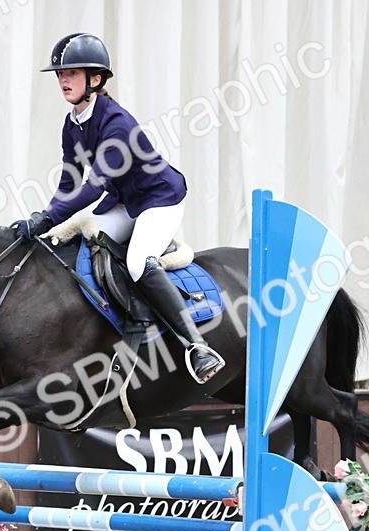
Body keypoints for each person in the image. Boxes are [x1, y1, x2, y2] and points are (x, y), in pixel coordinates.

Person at [12, 33, 225, 385]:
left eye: (71, 73)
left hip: (159, 199)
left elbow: (92, 188)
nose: (63, 80)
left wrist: (47, 219)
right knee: (82, 245)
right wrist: (44, 222)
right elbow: (69, 183)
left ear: (95, 79)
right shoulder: (72, 124)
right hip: (124, 201)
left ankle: (197, 346)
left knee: (138, 262)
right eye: (60, 74)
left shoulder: (116, 124)